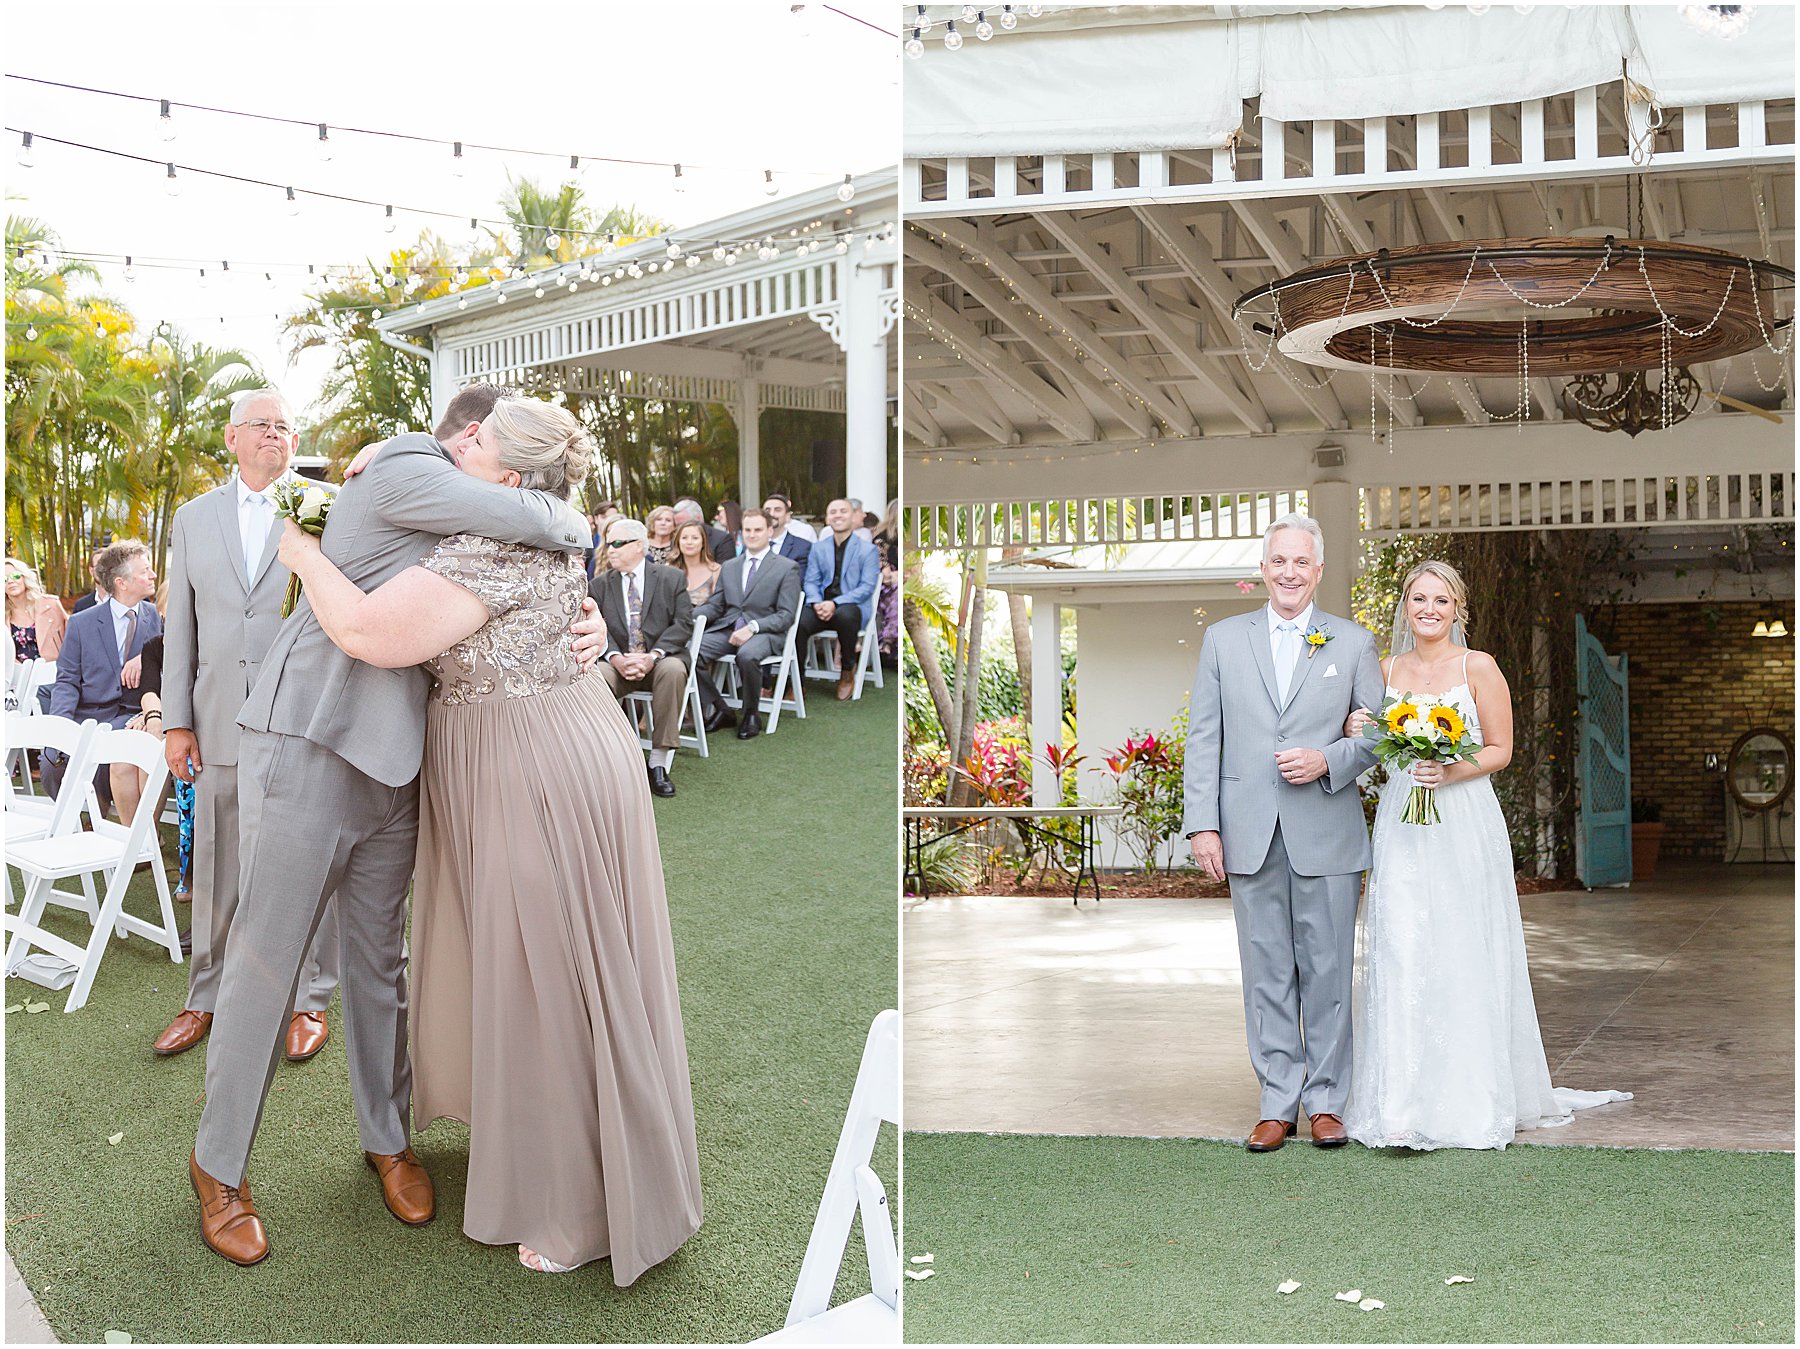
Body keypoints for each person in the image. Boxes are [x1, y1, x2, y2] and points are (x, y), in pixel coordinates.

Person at [277, 396, 702, 1282]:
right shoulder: (539, 529)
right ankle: (582, 1151)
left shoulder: (486, 551)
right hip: (570, 739)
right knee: (571, 964)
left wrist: (304, 554)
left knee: (548, 975)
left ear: (508, 475)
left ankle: (577, 1206)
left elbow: (365, 631)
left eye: (483, 436)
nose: (465, 439)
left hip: (528, 763)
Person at [187, 390, 602, 1269]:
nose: (478, 454)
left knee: (380, 961)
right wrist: (580, 520)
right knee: (267, 961)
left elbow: (516, 580)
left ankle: (387, 1137)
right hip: (311, 739)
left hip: (401, 759)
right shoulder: (407, 461)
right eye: (481, 439)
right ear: (467, 437)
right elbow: (530, 517)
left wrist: (588, 618)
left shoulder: (464, 496)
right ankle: (218, 1167)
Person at [1340, 560, 1630, 1149]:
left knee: (1462, 945)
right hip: (1402, 822)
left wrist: (1448, 771)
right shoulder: (1383, 670)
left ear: (1458, 609)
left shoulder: (1479, 667)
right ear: (1404, 606)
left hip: (1463, 821)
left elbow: (1501, 748)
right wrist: (1355, 726)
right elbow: (1368, 736)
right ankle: (1398, 1105)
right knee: (1402, 948)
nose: (1429, 609)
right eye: (1419, 598)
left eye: (1441, 600)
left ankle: (1469, 1100)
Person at [1181, 513, 1383, 1153]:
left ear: (1318, 570)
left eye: (1301, 562)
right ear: (1263, 569)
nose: (1289, 572)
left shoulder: (1353, 643)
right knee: (1265, 971)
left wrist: (1330, 758)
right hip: (1248, 832)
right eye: (1278, 561)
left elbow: (1381, 732)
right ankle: (1276, 1104)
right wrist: (1203, 824)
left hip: (1326, 830)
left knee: (1328, 971)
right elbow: (1204, 739)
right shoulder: (1222, 640)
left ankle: (1326, 1103)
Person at [153, 387, 343, 1062]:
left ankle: (310, 997)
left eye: (284, 426)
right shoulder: (192, 518)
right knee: (217, 862)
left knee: (307, 861)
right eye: (261, 424)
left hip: (302, 719)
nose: (274, 434)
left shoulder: (328, 509)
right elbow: (181, 628)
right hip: (219, 720)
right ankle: (205, 993)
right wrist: (177, 721)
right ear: (232, 437)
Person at [45, 540, 161, 810]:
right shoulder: (81, 622)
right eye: (145, 571)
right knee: (51, 764)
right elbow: (66, 680)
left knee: (116, 754)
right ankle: (82, 818)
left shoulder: (154, 615)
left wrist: (144, 658)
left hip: (132, 714)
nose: (153, 575)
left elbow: (166, 657)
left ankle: (108, 822)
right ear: (122, 582)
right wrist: (60, 726)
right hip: (88, 714)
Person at [590, 517, 694, 799]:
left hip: (660, 661)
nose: (610, 549)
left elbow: (683, 624)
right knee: (595, 676)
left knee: (673, 669)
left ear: (639, 545)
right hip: (618, 663)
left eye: (617, 543)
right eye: (608, 544)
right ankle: (612, 759)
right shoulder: (599, 585)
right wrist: (614, 657)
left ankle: (658, 762)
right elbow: (597, 626)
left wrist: (653, 656)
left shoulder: (671, 578)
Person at [693, 508, 802, 740]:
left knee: (747, 655)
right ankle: (722, 708)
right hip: (729, 628)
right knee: (690, 651)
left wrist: (753, 627)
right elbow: (716, 606)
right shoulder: (730, 566)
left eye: (758, 530)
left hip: (766, 632)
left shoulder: (786, 567)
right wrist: (686, 616)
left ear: (770, 531)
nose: (752, 535)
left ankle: (751, 713)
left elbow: (786, 615)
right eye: (747, 530)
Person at [796, 499, 880, 701]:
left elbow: (867, 587)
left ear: (853, 517)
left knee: (846, 615)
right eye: (833, 512)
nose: (838, 515)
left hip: (851, 607)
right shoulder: (818, 548)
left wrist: (835, 603)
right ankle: (798, 682)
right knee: (798, 622)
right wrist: (816, 602)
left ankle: (847, 671)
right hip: (821, 606)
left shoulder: (867, 550)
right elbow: (811, 581)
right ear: (827, 519)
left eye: (843, 511)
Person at [6, 558, 67, 663]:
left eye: (16, 576)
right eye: (4, 579)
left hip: (55, 670)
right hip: (18, 672)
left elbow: (73, 639)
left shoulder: (51, 604)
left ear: (25, 577)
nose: (11, 581)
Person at [873, 499, 900, 668]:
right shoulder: (881, 538)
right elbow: (883, 568)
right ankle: (887, 641)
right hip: (885, 584)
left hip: (901, 580)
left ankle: (889, 643)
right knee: (896, 594)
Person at [675, 520, 723, 608]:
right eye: (684, 538)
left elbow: (718, 605)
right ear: (678, 542)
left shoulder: (715, 570)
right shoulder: (669, 569)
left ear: (703, 542)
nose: (689, 542)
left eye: (695, 538)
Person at [672, 497, 734, 565]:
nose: (680, 528)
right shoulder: (675, 540)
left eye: (684, 524)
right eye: (677, 525)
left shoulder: (722, 539)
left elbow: (726, 569)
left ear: (698, 518)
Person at [763, 493, 815, 559]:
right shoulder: (752, 543)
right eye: (767, 510)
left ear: (787, 516)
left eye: (777, 510)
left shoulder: (802, 547)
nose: (771, 514)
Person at [70, 549, 107, 615]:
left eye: (107, 565)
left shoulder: (125, 601)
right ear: (91, 571)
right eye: (99, 566)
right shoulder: (81, 606)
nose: (103, 570)